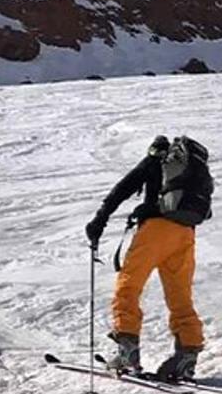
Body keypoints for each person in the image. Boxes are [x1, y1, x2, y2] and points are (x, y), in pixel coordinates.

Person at [85, 135, 212, 381]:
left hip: (155, 231)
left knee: (128, 287)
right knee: (180, 297)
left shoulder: (155, 160)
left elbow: (122, 189)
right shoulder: (190, 172)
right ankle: (186, 355)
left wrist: (99, 219)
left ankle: (127, 352)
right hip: (185, 233)